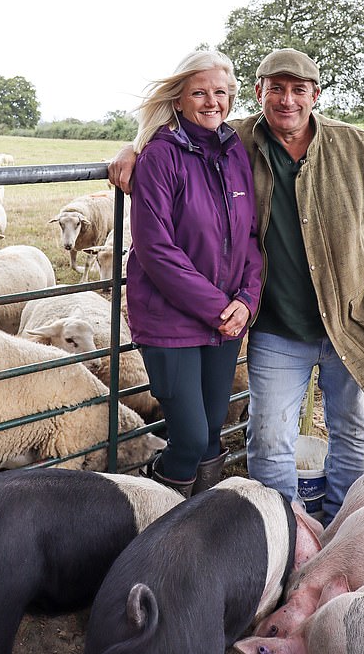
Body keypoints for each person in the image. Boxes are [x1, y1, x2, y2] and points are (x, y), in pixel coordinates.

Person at [109, 48, 364, 523]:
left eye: (299, 89)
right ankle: (280, 534)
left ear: (316, 94)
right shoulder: (239, 141)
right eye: (277, 88)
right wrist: (133, 149)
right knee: (265, 437)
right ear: (259, 92)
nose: (287, 100)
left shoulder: (349, 147)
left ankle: (341, 529)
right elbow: (177, 144)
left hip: (347, 322)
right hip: (273, 327)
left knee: (350, 430)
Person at [125, 49, 262, 498]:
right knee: (187, 437)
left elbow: (252, 238)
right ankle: (152, 511)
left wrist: (246, 299)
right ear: (178, 100)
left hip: (225, 321)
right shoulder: (160, 157)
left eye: (220, 92)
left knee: (210, 433)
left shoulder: (234, 150)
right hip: (171, 321)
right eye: (199, 92)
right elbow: (155, 249)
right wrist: (219, 306)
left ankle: (197, 531)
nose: (211, 101)